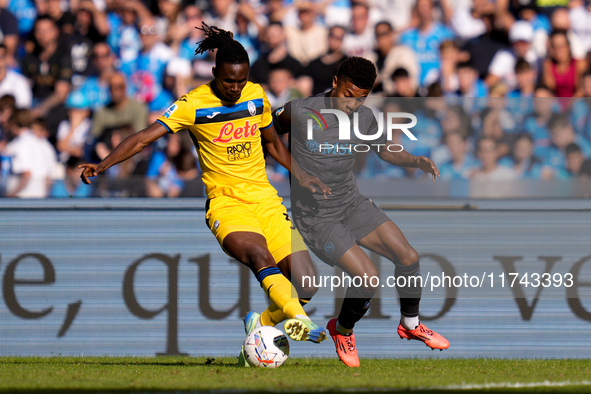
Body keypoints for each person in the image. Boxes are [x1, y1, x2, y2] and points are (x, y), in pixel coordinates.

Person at [79, 24, 328, 348]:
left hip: (265, 200)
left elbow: (274, 145)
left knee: (307, 283)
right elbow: (143, 138)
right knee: (258, 255)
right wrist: (102, 165)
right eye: (228, 81)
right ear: (214, 72)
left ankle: (261, 322)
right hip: (226, 203)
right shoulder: (193, 104)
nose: (236, 88)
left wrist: (303, 175)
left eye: (241, 80)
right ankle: (301, 322)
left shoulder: (256, 95)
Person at [273, 57, 449, 368]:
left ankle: (410, 325)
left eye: (361, 98)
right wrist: (297, 173)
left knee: (408, 256)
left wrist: (415, 161)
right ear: (335, 81)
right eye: (348, 95)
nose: (353, 104)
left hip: (351, 203)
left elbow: (384, 148)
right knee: (367, 278)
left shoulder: (364, 117)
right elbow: (269, 136)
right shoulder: (299, 110)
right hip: (317, 217)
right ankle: (342, 331)